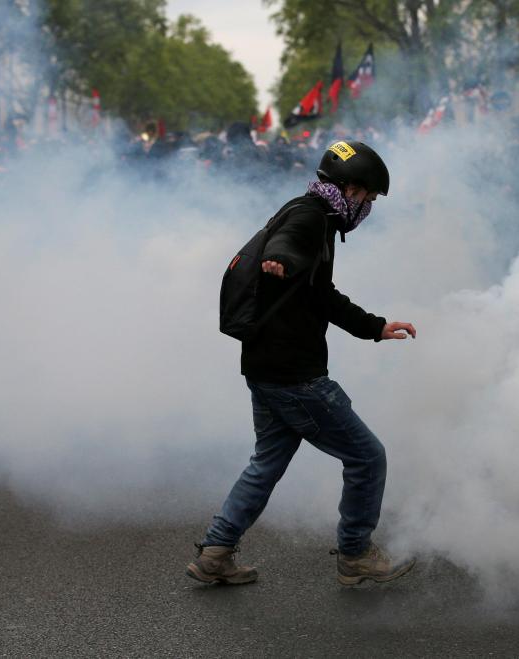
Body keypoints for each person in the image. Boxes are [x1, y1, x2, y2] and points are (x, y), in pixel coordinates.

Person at [187, 141, 418, 586]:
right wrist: (282, 260)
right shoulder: (310, 218)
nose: (368, 206)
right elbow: (286, 246)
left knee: (267, 463)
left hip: (265, 367)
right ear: (349, 188)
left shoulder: (315, 214)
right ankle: (355, 554)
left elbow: (321, 295)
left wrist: (376, 326)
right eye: (367, 197)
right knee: (368, 457)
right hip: (295, 375)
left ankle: (215, 553)